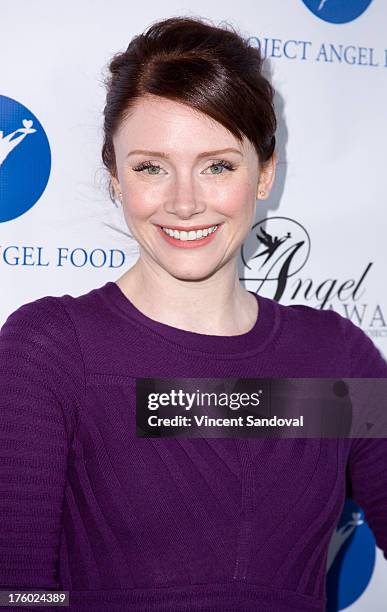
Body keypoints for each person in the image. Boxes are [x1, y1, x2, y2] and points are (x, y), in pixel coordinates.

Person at [0, 15, 386, 612]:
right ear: (115, 178)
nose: (184, 202)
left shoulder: (336, 359)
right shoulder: (51, 350)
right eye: (151, 166)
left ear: (265, 174)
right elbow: (16, 592)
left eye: (218, 165)